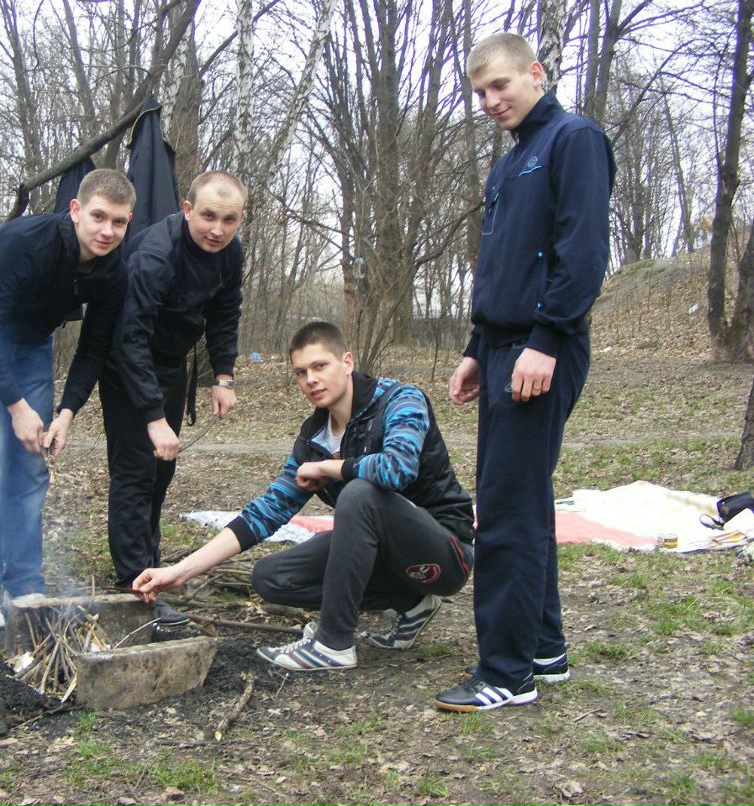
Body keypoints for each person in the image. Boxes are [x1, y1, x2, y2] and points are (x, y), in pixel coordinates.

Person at [434, 33, 615, 712]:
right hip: (503, 347)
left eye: (501, 85)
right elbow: (500, 265)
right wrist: (477, 347)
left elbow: (581, 251)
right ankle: (543, 647)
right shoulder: (510, 163)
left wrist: (546, 338)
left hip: (543, 348)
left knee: (506, 509)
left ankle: (505, 674)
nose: (490, 100)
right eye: (480, 92)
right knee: (522, 498)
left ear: (535, 73)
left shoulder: (575, 140)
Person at [134, 321, 475, 668]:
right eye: (301, 372)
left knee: (359, 493)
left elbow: (397, 468)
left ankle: (333, 644)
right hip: (382, 557)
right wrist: (180, 572)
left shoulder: (401, 400)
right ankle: (412, 603)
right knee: (272, 577)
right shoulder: (314, 438)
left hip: (445, 551)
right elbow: (264, 513)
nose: (311, 379)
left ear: (347, 362)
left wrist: (329, 468)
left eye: (320, 366)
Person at [0, 169, 135, 629]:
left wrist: (66, 412)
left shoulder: (113, 269)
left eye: (119, 222)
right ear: (75, 210)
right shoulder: (26, 242)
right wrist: (17, 407)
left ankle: (25, 585)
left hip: (32, 342)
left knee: (32, 461)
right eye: (98, 217)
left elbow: (94, 346)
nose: (107, 231)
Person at [100, 171, 247, 626]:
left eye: (228, 220)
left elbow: (225, 312)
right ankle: (133, 584)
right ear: (187, 210)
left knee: (162, 470)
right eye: (208, 216)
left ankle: (151, 565)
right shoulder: (154, 256)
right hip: (125, 363)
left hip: (171, 363)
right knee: (135, 472)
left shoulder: (230, 253)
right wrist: (152, 415)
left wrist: (222, 375)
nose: (217, 230)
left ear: (240, 219)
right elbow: (130, 338)